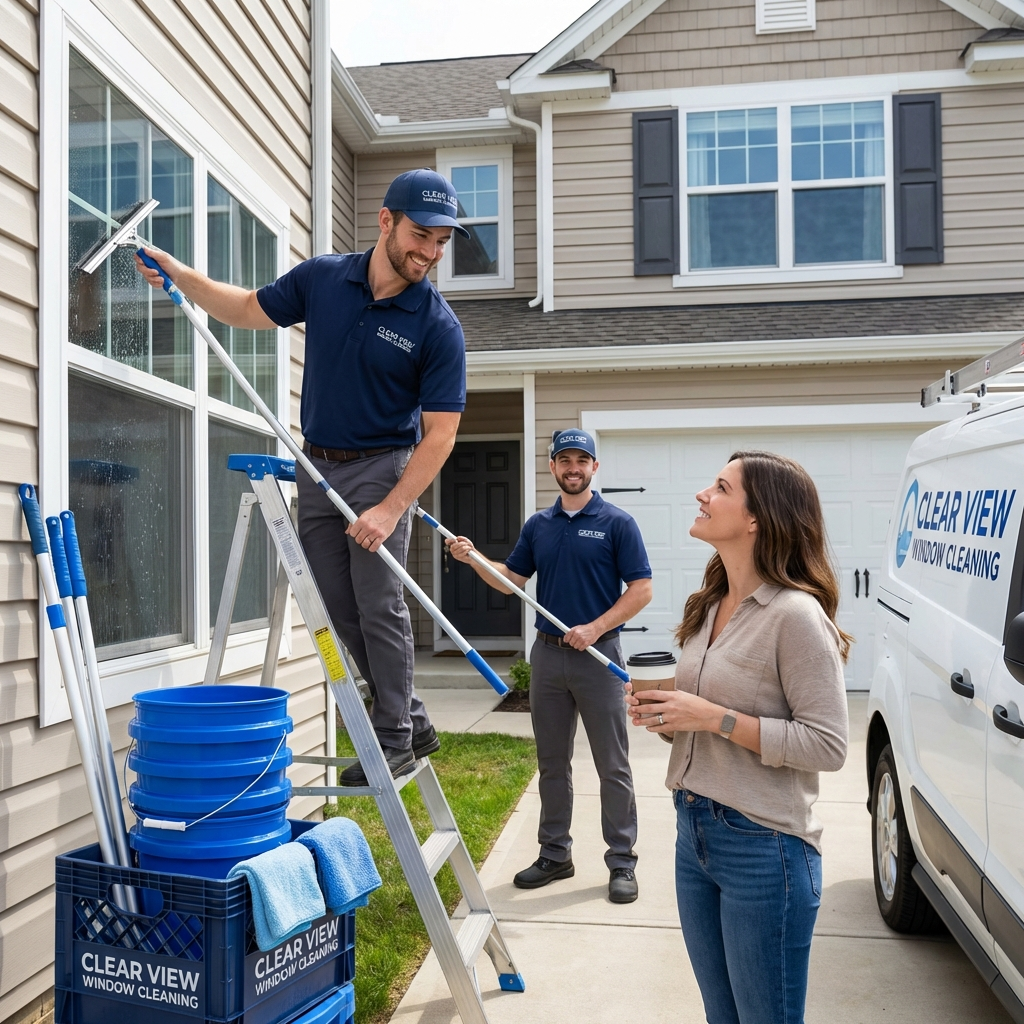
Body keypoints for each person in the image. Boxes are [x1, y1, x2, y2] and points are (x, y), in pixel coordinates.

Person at [136, 169, 470, 784]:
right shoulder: (324, 278)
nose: (431, 252)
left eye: (443, 241)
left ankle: (393, 735)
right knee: (338, 606)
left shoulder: (437, 326)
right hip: (316, 466)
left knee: (377, 602)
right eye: (422, 235)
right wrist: (179, 277)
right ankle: (413, 716)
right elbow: (245, 308)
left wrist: (393, 507)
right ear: (386, 221)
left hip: (381, 468)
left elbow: (441, 434)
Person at [626, 450, 850, 1024]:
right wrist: (667, 715)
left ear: (756, 518)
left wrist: (711, 717)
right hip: (693, 833)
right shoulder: (711, 606)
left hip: (765, 847)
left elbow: (827, 745)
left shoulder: (796, 616)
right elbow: (707, 719)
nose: (703, 494)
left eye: (721, 487)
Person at [447, 428, 652, 903]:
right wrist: (473, 557)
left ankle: (622, 861)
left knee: (612, 765)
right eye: (565, 460)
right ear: (553, 467)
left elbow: (641, 589)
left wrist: (596, 628)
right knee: (552, 763)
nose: (573, 468)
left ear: (594, 468)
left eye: (583, 460)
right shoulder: (538, 525)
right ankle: (555, 854)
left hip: (598, 659)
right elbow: (510, 581)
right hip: (548, 657)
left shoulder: (617, 522)